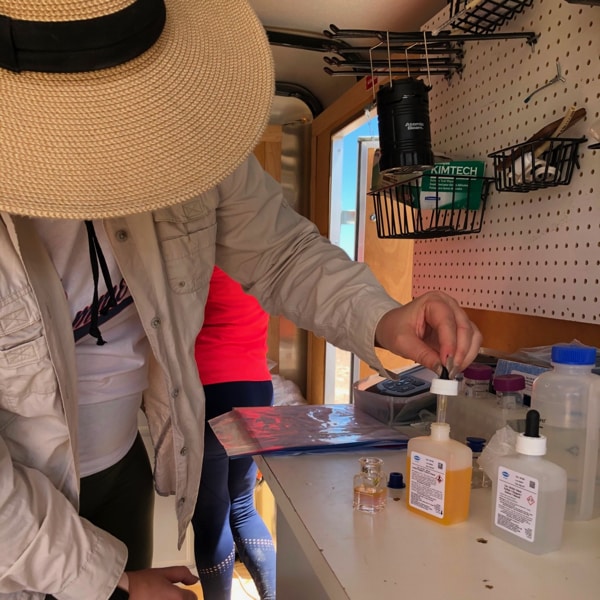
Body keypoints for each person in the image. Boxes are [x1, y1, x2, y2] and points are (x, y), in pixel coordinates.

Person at [0, 1, 482, 599]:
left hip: (127, 462)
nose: (116, 138)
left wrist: (380, 314)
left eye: (126, 103)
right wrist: (111, 585)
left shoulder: (181, 132)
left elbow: (280, 251)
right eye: (88, 114)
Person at [192, 267, 276, 599]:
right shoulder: (257, 250)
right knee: (243, 505)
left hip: (210, 388)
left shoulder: (193, 252)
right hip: (255, 389)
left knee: (212, 516)